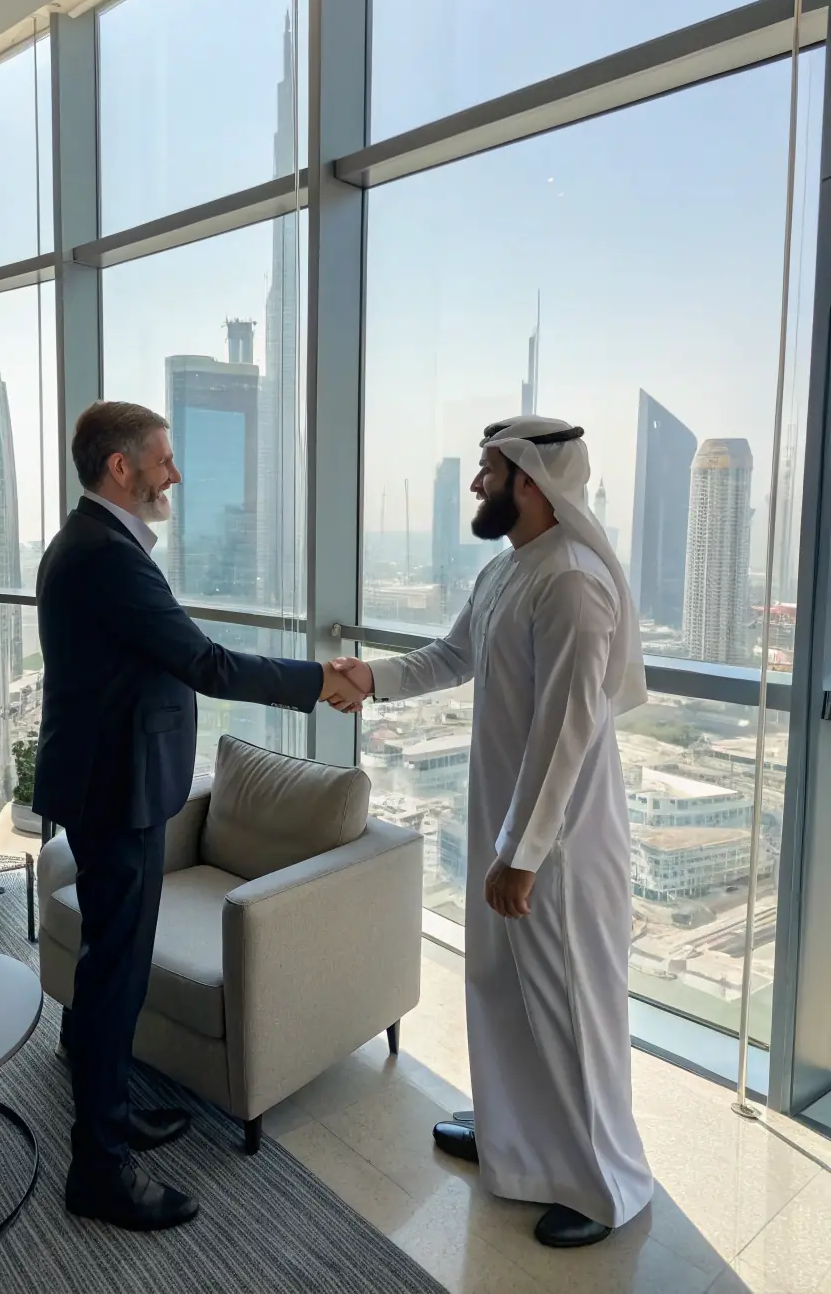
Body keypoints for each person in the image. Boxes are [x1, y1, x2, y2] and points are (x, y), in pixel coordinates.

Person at [33, 400, 364, 1232]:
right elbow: (205, 663)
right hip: (118, 793)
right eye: (164, 458)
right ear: (121, 467)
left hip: (110, 785)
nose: (174, 473)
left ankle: (111, 1107)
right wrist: (317, 680)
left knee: (113, 964)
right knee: (116, 974)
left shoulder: (92, 543)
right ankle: (99, 1166)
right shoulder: (106, 556)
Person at [332, 416, 653, 1249]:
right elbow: (450, 656)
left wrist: (525, 854)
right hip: (506, 824)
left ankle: (605, 1183)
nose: (476, 484)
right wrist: (371, 677)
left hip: (559, 845)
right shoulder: (509, 569)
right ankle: (515, 1138)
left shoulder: (574, 581)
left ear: (531, 482)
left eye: (489, 471)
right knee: (502, 985)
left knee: (569, 1005)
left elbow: (567, 732)